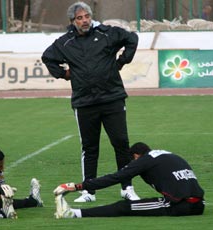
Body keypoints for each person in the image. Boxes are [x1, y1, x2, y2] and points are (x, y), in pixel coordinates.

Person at [41, 1, 139, 203]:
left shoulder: (107, 33)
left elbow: (132, 38)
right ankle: (88, 191)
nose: (84, 21)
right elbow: (47, 57)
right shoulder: (65, 42)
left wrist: (122, 61)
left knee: (121, 144)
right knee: (90, 148)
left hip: (112, 98)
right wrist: (64, 74)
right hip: (84, 103)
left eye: (87, 16)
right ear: (72, 21)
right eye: (80, 18)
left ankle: (127, 187)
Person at [53, 142, 205, 218]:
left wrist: (78, 186)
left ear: (137, 155)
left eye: (132, 160)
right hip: (199, 204)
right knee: (131, 205)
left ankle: (73, 214)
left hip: (179, 205)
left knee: (124, 206)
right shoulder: (169, 155)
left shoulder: (145, 160)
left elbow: (115, 178)